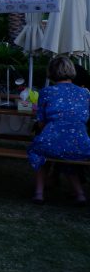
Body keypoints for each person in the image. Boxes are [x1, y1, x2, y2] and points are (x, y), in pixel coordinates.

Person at [29, 55, 90, 204]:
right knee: (66, 151)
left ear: (51, 72)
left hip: (53, 144)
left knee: (41, 150)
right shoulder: (85, 93)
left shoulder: (47, 92)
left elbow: (42, 124)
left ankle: (39, 193)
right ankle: (80, 193)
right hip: (82, 145)